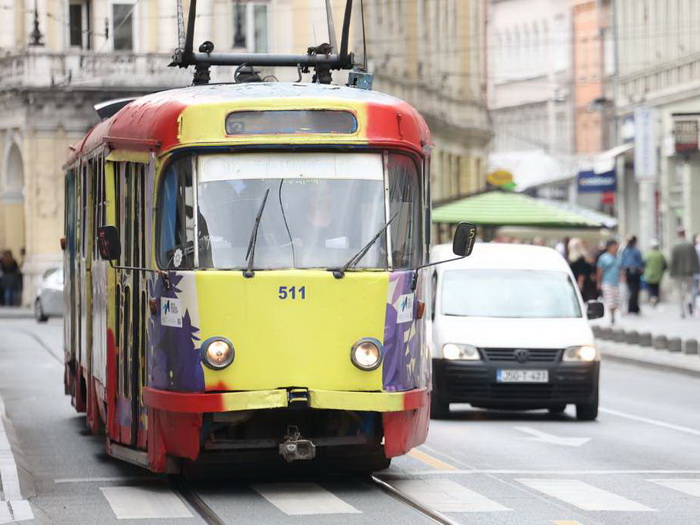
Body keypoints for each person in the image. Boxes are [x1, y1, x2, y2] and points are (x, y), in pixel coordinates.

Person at [669, 229, 700, 318]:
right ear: (684, 234)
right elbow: (695, 259)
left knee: (680, 291)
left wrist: (671, 272)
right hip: (689, 272)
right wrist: (696, 270)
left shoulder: (675, 246)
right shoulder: (690, 245)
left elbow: (672, 260)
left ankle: (682, 311)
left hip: (678, 273)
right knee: (690, 290)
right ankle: (689, 301)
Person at [596, 239, 621, 325]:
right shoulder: (604, 257)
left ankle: (613, 314)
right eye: (614, 246)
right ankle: (612, 316)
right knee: (610, 301)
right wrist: (598, 282)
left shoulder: (618, 257)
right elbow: (600, 270)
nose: (616, 248)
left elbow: (621, 270)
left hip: (616, 282)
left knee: (616, 301)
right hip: (607, 282)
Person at [620, 235, 644, 314]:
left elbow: (622, 262)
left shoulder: (625, 251)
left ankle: (634, 307)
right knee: (634, 290)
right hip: (634, 272)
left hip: (629, 272)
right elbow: (640, 262)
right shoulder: (635, 251)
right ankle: (632, 307)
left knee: (632, 290)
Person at [643, 239, 666, 306]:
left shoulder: (647, 254)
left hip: (649, 274)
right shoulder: (660, 254)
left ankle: (651, 298)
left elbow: (643, 263)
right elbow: (665, 265)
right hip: (658, 274)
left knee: (650, 287)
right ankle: (655, 298)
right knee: (656, 287)